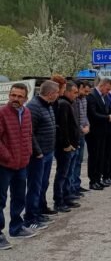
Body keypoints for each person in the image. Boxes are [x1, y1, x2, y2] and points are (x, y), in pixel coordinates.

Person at [0, 83, 36, 249]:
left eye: (19, 96)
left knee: (19, 197)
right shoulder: (2, 113)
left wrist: (28, 152)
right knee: (0, 199)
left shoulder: (27, 112)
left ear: (26, 98)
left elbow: (28, 134)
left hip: (22, 164)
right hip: (4, 164)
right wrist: (7, 156)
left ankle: (16, 227)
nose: (15, 99)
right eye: (13, 95)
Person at [25, 80, 59, 230]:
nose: (58, 95)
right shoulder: (34, 107)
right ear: (50, 93)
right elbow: (29, 132)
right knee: (35, 186)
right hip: (38, 155)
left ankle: (39, 210)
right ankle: (31, 218)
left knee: (43, 184)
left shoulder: (47, 106)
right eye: (57, 92)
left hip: (48, 152)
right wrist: (37, 152)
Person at [53, 81, 81, 212]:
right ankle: (59, 200)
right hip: (66, 147)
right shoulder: (63, 104)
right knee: (62, 174)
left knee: (68, 173)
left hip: (73, 145)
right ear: (67, 92)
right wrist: (67, 144)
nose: (76, 95)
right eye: (74, 92)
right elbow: (63, 126)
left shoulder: (70, 103)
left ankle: (67, 196)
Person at [86, 78, 111, 190]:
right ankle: (93, 180)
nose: (108, 91)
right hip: (94, 132)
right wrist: (107, 117)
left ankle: (98, 179)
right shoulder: (92, 96)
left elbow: (108, 109)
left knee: (101, 156)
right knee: (94, 156)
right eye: (107, 89)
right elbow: (93, 114)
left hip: (104, 131)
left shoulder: (105, 96)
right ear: (102, 85)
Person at [71, 80, 91, 195]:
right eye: (84, 90)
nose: (86, 93)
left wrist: (87, 125)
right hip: (76, 134)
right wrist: (80, 128)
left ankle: (77, 184)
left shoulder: (84, 99)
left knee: (79, 161)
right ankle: (72, 187)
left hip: (83, 134)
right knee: (73, 162)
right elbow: (74, 119)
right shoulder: (74, 101)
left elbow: (84, 115)